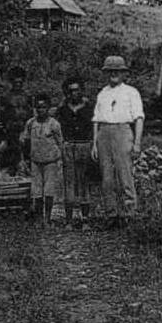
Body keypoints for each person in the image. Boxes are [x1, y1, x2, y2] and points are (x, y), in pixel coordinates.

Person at [91, 56, 145, 229]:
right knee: (106, 177)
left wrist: (137, 143)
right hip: (104, 133)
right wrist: (94, 143)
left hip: (123, 131)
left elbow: (139, 118)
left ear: (123, 74)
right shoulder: (102, 93)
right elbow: (96, 120)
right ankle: (111, 214)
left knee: (125, 174)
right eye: (110, 71)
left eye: (117, 71)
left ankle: (130, 214)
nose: (113, 74)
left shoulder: (131, 92)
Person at [57, 76, 98, 227]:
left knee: (84, 181)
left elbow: (95, 126)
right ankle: (68, 219)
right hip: (68, 146)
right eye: (71, 90)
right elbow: (58, 126)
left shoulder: (89, 108)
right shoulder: (63, 109)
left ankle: (85, 218)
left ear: (81, 91)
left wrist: (93, 145)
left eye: (77, 90)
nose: (74, 93)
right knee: (69, 182)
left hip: (84, 146)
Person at [20, 93, 64, 226]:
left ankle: (48, 217)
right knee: (37, 192)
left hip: (50, 161)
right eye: (38, 107)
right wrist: (25, 159)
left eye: (44, 107)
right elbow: (25, 142)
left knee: (49, 191)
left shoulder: (54, 124)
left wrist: (61, 159)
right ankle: (39, 218)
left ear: (49, 108)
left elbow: (60, 142)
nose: (41, 110)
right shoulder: (31, 123)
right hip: (36, 161)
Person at [0, 66, 32, 175]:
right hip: (11, 130)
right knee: (13, 155)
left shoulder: (27, 96)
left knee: (26, 154)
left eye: (20, 82)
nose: (18, 84)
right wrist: (8, 128)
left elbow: (30, 113)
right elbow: (3, 116)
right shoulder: (6, 97)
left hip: (25, 129)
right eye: (16, 82)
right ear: (11, 82)